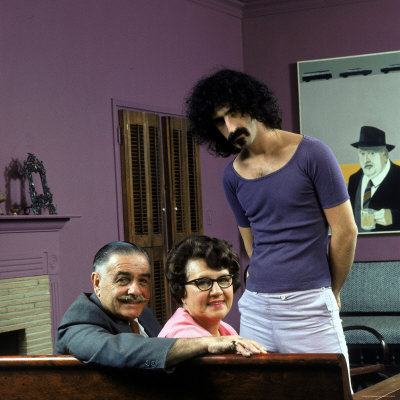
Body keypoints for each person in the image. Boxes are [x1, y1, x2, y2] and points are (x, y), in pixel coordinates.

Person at [185, 69, 358, 362]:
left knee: (332, 384)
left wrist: (333, 290)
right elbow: (251, 244)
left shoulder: (313, 154)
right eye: (219, 121)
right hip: (257, 308)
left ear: (253, 105)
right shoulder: (231, 176)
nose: (230, 127)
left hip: (310, 303)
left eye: (234, 112)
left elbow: (346, 231)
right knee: (259, 385)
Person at [55, 241, 266, 370]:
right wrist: (209, 343)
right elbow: (123, 352)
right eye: (123, 280)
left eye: (143, 281)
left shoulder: (143, 314)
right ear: (97, 283)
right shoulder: (77, 324)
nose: (135, 290)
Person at [158, 235, 241, 338]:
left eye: (224, 280)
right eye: (203, 282)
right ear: (181, 291)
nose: (217, 291)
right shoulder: (185, 337)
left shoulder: (225, 329)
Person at [348, 125, 400, 232]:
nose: (366, 159)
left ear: (385, 155)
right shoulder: (354, 180)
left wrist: (393, 217)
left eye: (372, 153)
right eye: (362, 153)